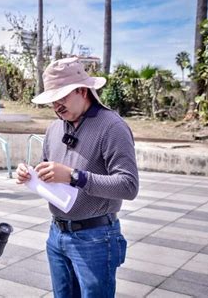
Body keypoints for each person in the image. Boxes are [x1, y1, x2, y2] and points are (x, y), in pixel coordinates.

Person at [15, 57, 139, 298]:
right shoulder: (54, 128)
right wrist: (31, 174)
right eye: (52, 100)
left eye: (61, 97)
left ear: (82, 91)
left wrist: (74, 176)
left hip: (96, 238)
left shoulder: (112, 127)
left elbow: (129, 186)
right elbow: (48, 167)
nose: (56, 106)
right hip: (57, 234)